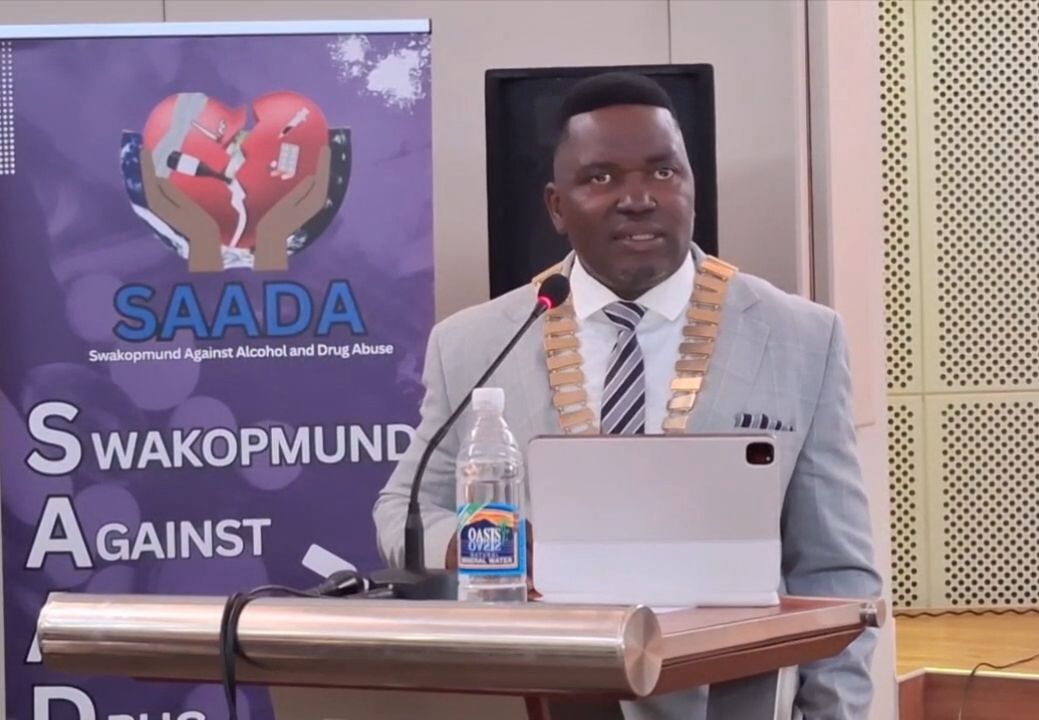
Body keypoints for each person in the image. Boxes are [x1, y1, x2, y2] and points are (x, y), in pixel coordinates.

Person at [374, 71, 881, 719]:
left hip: (734, 701)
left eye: (663, 172)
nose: (638, 198)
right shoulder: (475, 343)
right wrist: (495, 547)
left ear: (692, 188)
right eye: (601, 177)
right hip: (550, 693)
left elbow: (836, 573)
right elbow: (405, 514)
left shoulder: (800, 338)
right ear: (557, 207)